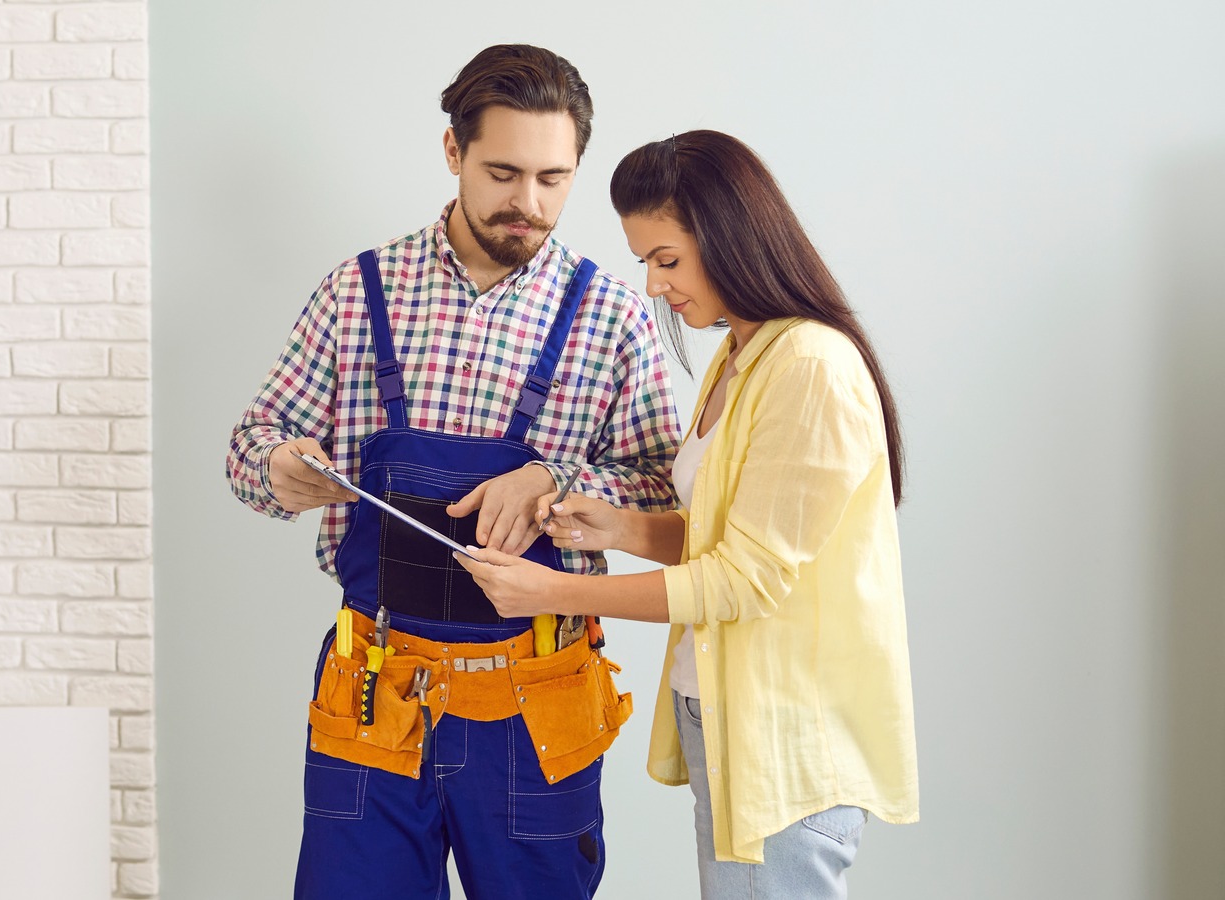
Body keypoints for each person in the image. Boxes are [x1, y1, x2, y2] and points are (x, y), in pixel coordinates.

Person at [225, 45, 682, 899]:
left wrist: (555, 477)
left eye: (554, 178)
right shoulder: (357, 292)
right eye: (504, 172)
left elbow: (671, 497)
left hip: (536, 705)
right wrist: (282, 467)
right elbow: (252, 446)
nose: (529, 204)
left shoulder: (614, 316)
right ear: (452, 151)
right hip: (372, 695)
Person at [457, 130, 920, 898]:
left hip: (785, 742)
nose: (651, 285)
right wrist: (621, 527)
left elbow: (744, 581)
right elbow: (722, 537)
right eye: (644, 261)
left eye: (666, 260)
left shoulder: (809, 366)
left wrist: (554, 594)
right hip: (730, 722)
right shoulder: (739, 356)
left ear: (731, 238)